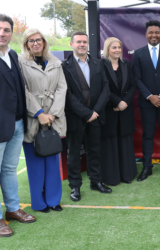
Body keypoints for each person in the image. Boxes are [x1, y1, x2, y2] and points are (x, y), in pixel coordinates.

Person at [19, 28, 67, 212]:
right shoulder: (20, 62)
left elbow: (62, 88)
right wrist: (39, 113)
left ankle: (54, 200)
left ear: (44, 42)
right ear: (26, 44)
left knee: (53, 161)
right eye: (31, 41)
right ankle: (39, 203)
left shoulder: (55, 62)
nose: (36, 43)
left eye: (38, 40)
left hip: (53, 119)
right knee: (35, 163)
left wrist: (53, 114)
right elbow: (23, 91)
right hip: (33, 119)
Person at [62, 31, 111, 202]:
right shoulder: (64, 66)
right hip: (76, 117)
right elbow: (66, 94)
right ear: (71, 44)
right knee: (74, 154)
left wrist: (95, 111)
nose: (82, 44)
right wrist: (86, 113)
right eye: (78, 42)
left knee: (94, 151)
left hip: (96, 116)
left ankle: (95, 182)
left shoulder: (98, 64)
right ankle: (75, 186)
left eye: (84, 42)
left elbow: (106, 88)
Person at [0, 13, 36, 237]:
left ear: (12, 33)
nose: (2, 33)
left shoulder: (12, 54)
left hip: (16, 123)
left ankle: (12, 209)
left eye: (6, 30)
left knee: (10, 169)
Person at [132, 20, 160, 181]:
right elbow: (136, 78)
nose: (154, 35)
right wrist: (150, 96)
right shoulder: (138, 53)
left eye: (156, 32)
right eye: (151, 32)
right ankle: (147, 167)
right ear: (146, 34)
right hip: (146, 102)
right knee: (148, 135)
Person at [101, 37, 137, 185]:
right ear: (107, 49)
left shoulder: (126, 64)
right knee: (110, 143)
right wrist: (117, 102)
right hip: (109, 110)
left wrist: (125, 103)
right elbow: (102, 87)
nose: (117, 50)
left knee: (125, 141)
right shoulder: (100, 65)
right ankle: (112, 177)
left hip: (125, 111)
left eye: (119, 47)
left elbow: (133, 86)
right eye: (113, 47)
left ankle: (127, 175)